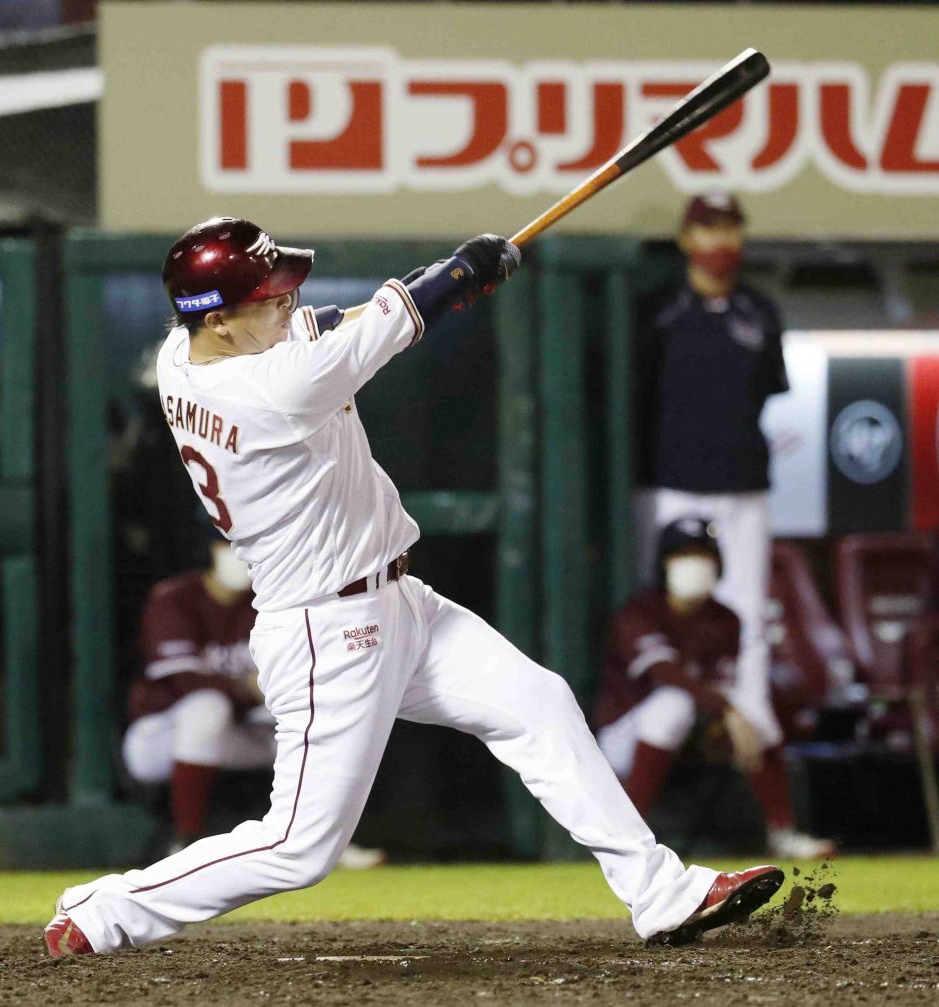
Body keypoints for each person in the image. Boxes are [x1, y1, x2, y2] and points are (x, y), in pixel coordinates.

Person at [45, 217, 783, 957]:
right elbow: (389, 322)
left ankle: (662, 893)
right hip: (327, 630)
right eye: (267, 298)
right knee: (299, 847)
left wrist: (446, 284)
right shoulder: (272, 389)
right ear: (225, 323)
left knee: (539, 703)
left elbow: (330, 324)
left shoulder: (189, 349)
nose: (285, 304)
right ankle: (107, 909)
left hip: (401, 602)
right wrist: (462, 271)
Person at [635, 193, 789, 779]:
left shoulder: (759, 311)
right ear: (685, 238)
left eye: (729, 229)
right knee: (668, 605)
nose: (719, 242)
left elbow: (766, 390)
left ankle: (752, 725)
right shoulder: (660, 310)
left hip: (743, 485)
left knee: (746, 612)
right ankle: (661, 730)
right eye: (707, 229)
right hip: (671, 483)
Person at [123, 530, 385, 868]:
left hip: (237, 729)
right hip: (158, 736)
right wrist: (245, 687)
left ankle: (325, 843)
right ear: (213, 550)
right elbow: (181, 679)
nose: (243, 558)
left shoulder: (269, 603)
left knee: (311, 721)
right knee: (206, 708)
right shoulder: (175, 598)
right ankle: (185, 840)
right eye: (232, 547)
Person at [595, 517, 836, 860]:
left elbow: (720, 689)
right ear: (663, 563)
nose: (694, 564)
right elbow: (667, 673)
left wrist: (727, 722)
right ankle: (627, 838)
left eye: (702, 555)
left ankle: (782, 833)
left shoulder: (725, 619)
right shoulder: (640, 612)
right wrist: (726, 711)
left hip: (693, 732)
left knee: (755, 715)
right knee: (672, 705)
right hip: (624, 739)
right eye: (682, 555)